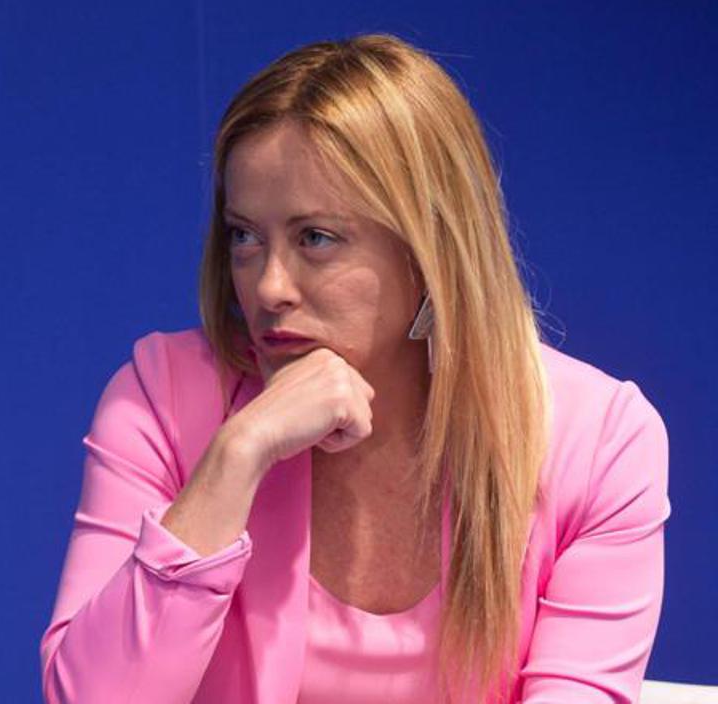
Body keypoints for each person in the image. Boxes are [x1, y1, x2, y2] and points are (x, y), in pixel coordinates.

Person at [38, 34, 671, 703]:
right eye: (245, 236)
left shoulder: (596, 441)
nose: (268, 287)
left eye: (316, 238)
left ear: (430, 249)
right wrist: (236, 457)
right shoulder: (162, 397)